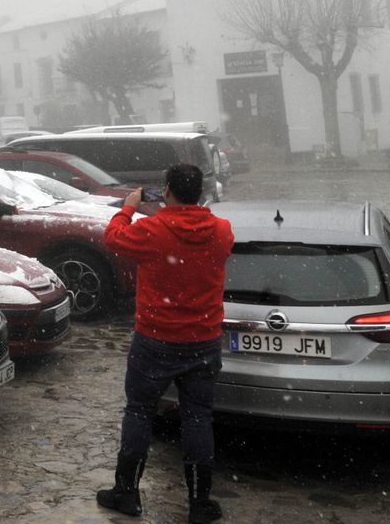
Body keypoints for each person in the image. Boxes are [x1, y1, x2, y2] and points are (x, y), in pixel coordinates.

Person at [96, 163, 234, 524]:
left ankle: (127, 492)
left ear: (167, 190)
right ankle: (199, 502)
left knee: (140, 411)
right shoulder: (221, 231)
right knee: (198, 418)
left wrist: (129, 206)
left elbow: (112, 238)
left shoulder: (152, 230)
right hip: (203, 340)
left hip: (155, 339)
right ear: (201, 192)